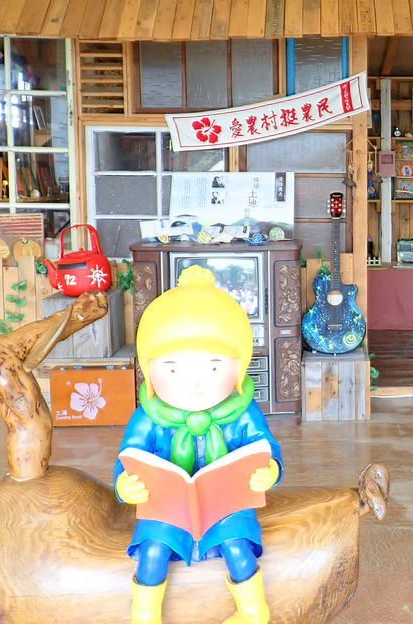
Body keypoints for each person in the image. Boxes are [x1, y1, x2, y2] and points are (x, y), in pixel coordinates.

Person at [114, 266, 282, 624]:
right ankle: (145, 616)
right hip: (166, 507)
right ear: (150, 371)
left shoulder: (242, 413)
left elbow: (263, 445)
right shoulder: (148, 416)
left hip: (227, 504)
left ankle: (253, 611)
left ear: (239, 369)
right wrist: (125, 483)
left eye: (214, 367)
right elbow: (130, 456)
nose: (194, 384)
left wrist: (270, 469)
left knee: (237, 547)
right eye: (173, 369)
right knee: (153, 551)